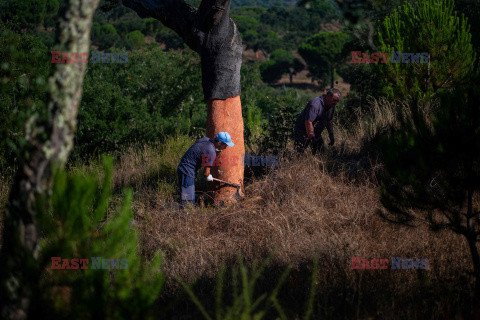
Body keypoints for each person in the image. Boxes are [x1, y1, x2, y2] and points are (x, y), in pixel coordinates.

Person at [177, 132, 234, 207]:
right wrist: (208, 176)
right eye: (225, 145)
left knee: (185, 194)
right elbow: (206, 173)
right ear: (219, 143)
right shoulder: (210, 151)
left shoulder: (206, 140)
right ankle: (186, 215)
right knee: (188, 199)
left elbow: (201, 149)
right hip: (187, 171)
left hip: (183, 166)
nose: (226, 147)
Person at [293, 88, 341, 154]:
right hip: (303, 130)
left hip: (315, 131)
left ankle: (315, 163)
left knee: (320, 151)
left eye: (337, 101)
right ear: (328, 96)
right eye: (334, 100)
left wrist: (331, 135)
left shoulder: (331, 105)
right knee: (298, 152)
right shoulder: (315, 104)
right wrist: (312, 138)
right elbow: (308, 122)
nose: (336, 103)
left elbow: (329, 121)